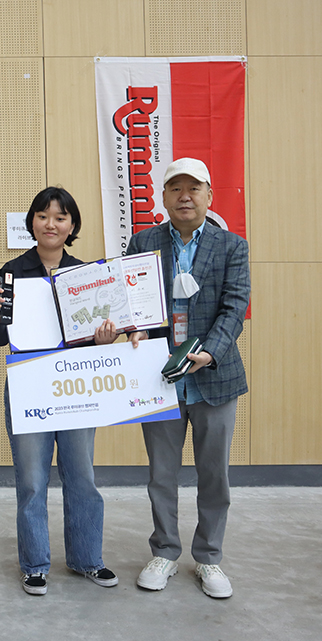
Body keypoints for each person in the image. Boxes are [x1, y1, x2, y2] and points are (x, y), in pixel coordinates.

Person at [0, 186, 119, 596]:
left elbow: (93, 336)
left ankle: (87, 559)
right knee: (31, 480)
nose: (51, 224)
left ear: (72, 225)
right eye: (43, 216)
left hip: (75, 386)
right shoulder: (11, 271)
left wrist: (104, 338)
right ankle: (35, 564)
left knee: (82, 476)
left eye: (60, 217)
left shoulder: (87, 275)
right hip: (29, 385)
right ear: (32, 223)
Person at [128, 157, 250, 599]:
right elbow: (131, 301)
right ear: (163, 197)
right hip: (158, 378)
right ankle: (164, 551)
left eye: (194, 188)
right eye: (175, 188)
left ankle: (209, 557)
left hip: (213, 377)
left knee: (214, 474)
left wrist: (209, 351)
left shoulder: (232, 246)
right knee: (161, 474)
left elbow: (235, 306)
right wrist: (135, 328)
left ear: (209, 195)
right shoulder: (143, 241)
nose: (185, 196)